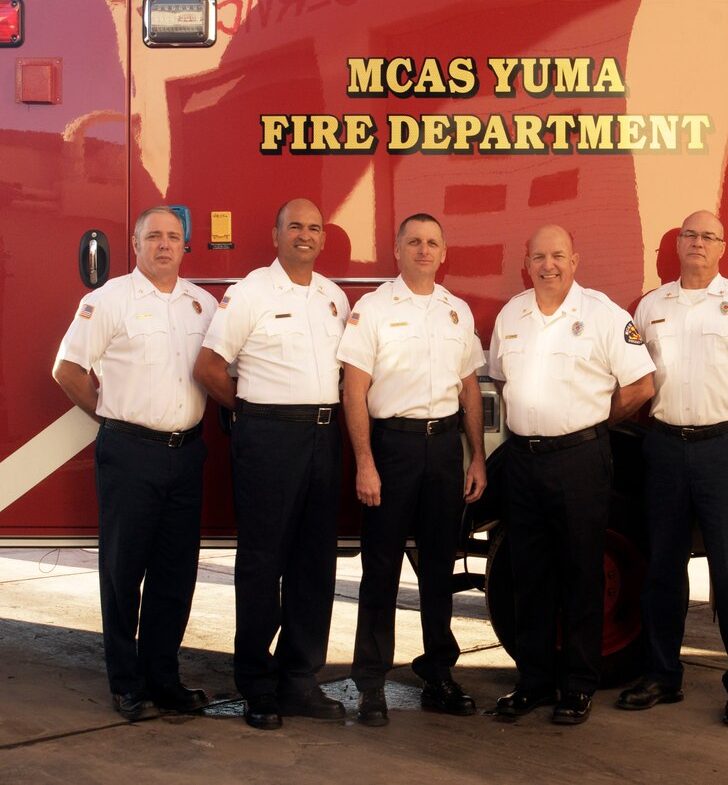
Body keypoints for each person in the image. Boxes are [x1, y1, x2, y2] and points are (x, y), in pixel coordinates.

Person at [618, 209, 728, 726]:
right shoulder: (651, 306)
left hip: (723, 450)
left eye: (707, 236)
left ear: (722, 247)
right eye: (688, 234)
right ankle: (663, 676)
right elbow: (633, 373)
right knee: (662, 566)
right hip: (664, 447)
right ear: (677, 246)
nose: (697, 242)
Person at [53, 206, 218, 721]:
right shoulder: (107, 301)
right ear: (135, 243)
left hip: (186, 453)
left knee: (176, 573)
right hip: (129, 453)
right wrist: (108, 415)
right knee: (123, 572)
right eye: (154, 237)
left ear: (185, 245)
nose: (164, 245)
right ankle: (126, 683)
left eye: (173, 236)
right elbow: (67, 369)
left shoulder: (203, 304)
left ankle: (163, 678)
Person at [489, 224, 655, 725]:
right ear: (527, 261)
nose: (548, 265)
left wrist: (590, 423)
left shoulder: (603, 315)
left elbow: (642, 385)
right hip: (522, 460)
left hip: (580, 459)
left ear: (574, 261)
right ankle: (534, 682)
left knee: (582, 572)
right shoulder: (512, 313)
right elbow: (500, 376)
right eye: (539, 256)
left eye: (558, 255)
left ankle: (578, 685)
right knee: (528, 574)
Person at [193, 198, 349, 730]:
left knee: (315, 565)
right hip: (268, 437)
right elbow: (209, 367)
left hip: (325, 438)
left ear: (323, 238)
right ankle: (257, 686)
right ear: (276, 234)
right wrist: (250, 411)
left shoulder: (334, 297)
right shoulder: (250, 292)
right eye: (295, 227)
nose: (305, 235)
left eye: (314, 228)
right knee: (263, 563)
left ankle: (300, 683)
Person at [337, 213, 486, 727]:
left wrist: (477, 458)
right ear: (397, 250)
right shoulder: (373, 309)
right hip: (392, 447)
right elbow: (353, 388)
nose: (424, 250)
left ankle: (439, 673)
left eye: (432, 243)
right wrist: (365, 462)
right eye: (414, 242)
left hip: (444, 449)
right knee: (381, 570)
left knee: (439, 569)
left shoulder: (456, 311)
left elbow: (468, 389)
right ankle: (371, 683)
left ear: (444, 253)